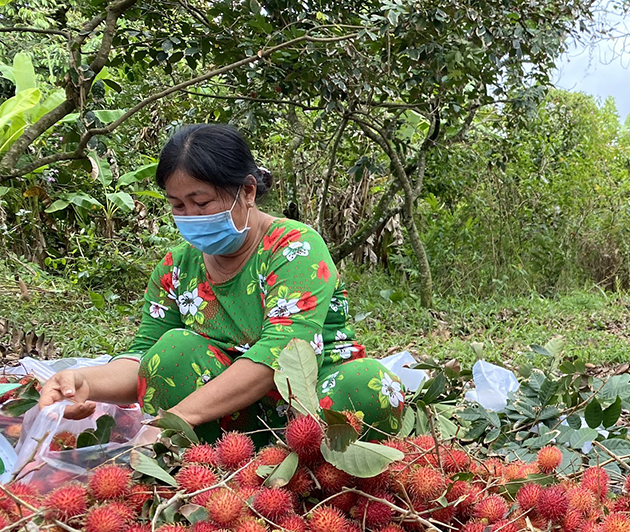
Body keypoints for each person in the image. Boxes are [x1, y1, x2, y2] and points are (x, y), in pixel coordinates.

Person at [38, 124, 405, 441]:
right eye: (178, 206)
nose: (190, 216)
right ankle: (210, 468)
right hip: (228, 419)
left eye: (201, 202)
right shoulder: (177, 266)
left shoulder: (295, 247)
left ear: (247, 191)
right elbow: (142, 357)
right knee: (170, 351)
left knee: (367, 384)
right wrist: (86, 382)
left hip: (311, 403)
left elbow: (280, 354)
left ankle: (316, 471)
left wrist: (181, 416)